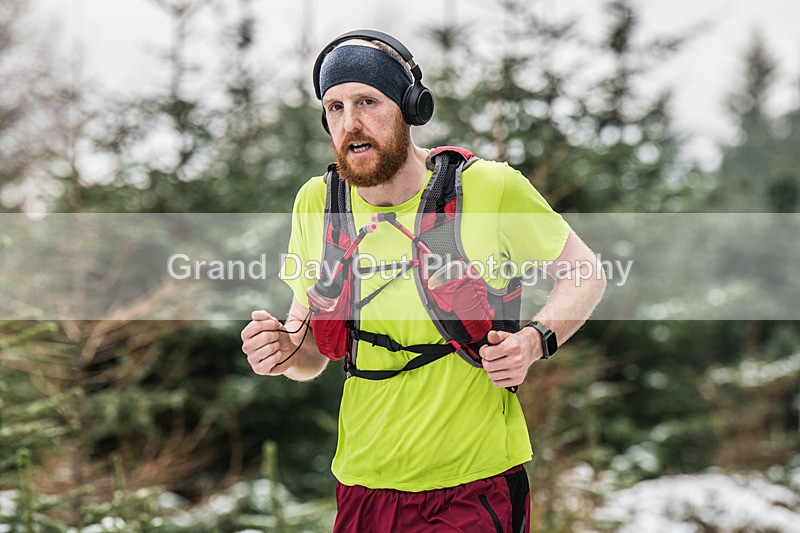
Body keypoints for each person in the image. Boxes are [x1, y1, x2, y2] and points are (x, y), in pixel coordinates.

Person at [241, 29, 606, 532]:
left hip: (475, 484)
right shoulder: (320, 203)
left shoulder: (486, 187)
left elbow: (585, 273)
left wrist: (533, 342)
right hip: (364, 486)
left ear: (411, 106)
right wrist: (281, 351)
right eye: (335, 107)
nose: (351, 123)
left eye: (368, 101)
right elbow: (309, 355)